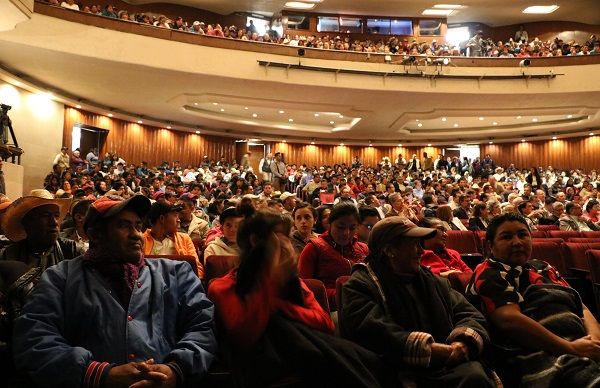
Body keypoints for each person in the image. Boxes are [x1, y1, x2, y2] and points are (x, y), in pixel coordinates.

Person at [12, 195, 217, 387]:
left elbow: (202, 327)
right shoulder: (61, 277)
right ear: (96, 234)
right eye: (123, 225)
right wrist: (98, 374)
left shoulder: (176, 273)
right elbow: (34, 339)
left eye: (138, 225)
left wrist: (176, 369)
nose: (136, 234)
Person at [208, 209, 386, 387]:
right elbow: (246, 334)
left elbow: (325, 323)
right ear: (255, 243)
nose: (286, 244)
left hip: (306, 361)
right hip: (261, 370)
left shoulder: (293, 283)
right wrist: (268, 280)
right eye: (277, 238)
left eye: (286, 237)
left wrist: (280, 303)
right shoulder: (223, 286)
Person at [340, 217, 494, 387]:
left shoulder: (432, 281)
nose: (422, 251)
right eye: (414, 245)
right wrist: (428, 350)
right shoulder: (360, 285)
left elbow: (469, 313)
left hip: (445, 363)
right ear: (390, 250)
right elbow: (372, 330)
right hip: (394, 370)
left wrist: (462, 343)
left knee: (475, 375)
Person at [467, 213, 600, 386]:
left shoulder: (543, 267)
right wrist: (572, 348)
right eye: (506, 237)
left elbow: (582, 308)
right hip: (536, 353)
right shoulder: (489, 272)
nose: (517, 242)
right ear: (490, 245)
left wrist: (595, 342)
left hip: (581, 342)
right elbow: (510, 321)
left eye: (523, 235)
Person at [298, 202, 369, 309]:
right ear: (329, 224)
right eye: (340, 227)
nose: (347, 233)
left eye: (352, 228)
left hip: (362, 304)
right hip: (328, 309)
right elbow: (303, 288)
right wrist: (339, 295)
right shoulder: (314, 248)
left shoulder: (363, 248)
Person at [143, 201, 203, 278]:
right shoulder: (141, 240)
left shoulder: (184, 239)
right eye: (175, 216)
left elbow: (197, 268)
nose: (179, 220)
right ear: (162, 218)